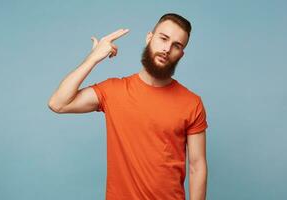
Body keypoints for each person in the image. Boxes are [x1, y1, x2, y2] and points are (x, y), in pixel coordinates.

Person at [48, 13, 208, 200]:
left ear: (181, 54)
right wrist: (93, 58)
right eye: (163, 38)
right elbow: (58, 103)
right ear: (150, 37)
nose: (167, 49)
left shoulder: (191, 103)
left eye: (176, 46)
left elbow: (197, 166)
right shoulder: (113, 91)